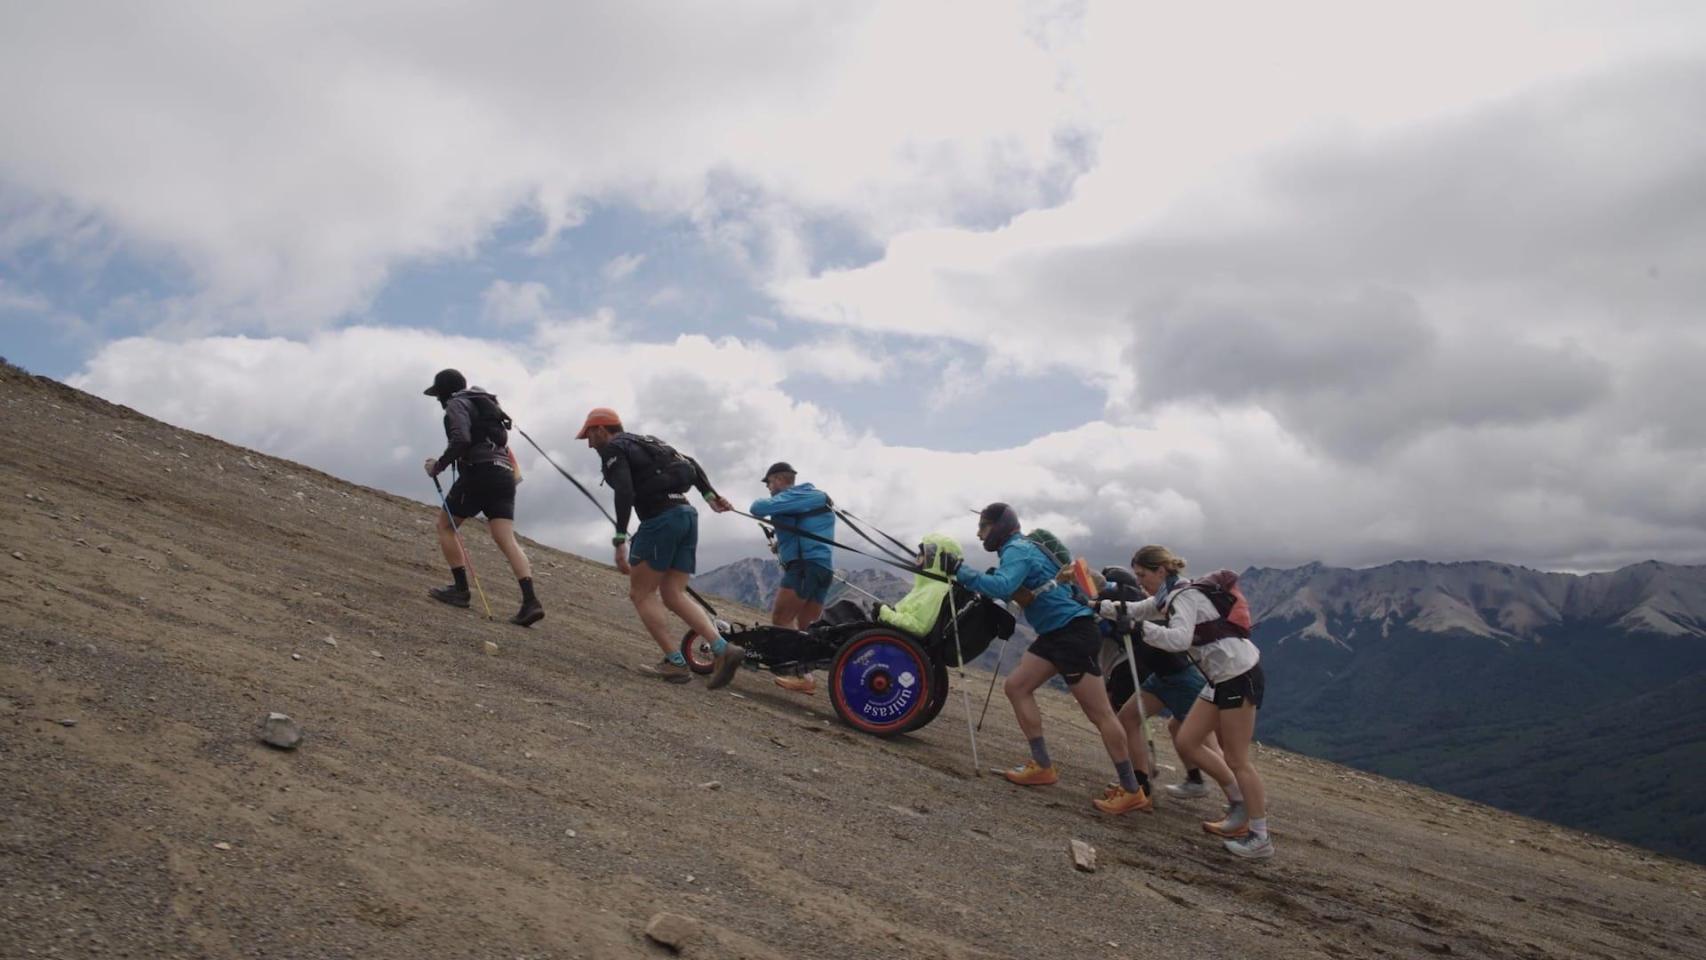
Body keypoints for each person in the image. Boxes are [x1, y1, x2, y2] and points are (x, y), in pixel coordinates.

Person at [946, 503, 1150, 815]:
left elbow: (1002, 587)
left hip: (1071, 634)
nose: (979, 534)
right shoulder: (1021, 549)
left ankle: (1132, 789)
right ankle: (1042, 766)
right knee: (1016, 687)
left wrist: (960, 569)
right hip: (1057, 633)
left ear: (998, 528)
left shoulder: (1017, 550)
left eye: (983, 528)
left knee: (1101, 714)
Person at [1099, 545, 1273, 859]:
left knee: (1237, 758)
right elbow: (1138, 609)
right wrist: (1099, 606)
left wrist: (1138, 629)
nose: (1140, 583)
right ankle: (1237, 807)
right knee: (1188, 739)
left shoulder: (1184, 597)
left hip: (1238, 675)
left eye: (1143, 575)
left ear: (1160, 571)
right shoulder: (1170, 595)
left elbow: (1178, 640)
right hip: (1220, 677)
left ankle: (1259, 835)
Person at [577, 407, 743, 687]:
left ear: (601, 430)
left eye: (589, 437)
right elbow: (690, 463)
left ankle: (675, 663)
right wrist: (710, 495)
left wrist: (619, 539)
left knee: (641, 593)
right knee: (673, 592)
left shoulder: (613, 449)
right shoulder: (650, 441)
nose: (589, 444)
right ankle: (721, 648)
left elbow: (625, 492)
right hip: (687, 516)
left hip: (660, 520)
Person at [421, 369, 543, 627]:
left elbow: (461, 438)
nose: (437, 400)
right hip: (505, 473)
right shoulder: (485, 403)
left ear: (444, 391)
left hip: (480, 472)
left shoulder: (456, 403)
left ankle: (460, 590)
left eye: (437, 395)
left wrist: (438, 466)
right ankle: (530, 601)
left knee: (445, 526)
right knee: (506, 538)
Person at [1095, 566, 1226, 800]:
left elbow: (1169, 638)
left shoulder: (1162, 606)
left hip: (1183, 680)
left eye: (1143, 574)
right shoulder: (1149, 604)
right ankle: (1143, 784)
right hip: (1164, 678)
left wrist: (1132, 626)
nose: (1141, 581)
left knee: (1205, 745)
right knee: (1131, 719)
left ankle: (1239, 798)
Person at [749, 461, 836, 694]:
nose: (768, 488)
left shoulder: (798, 495)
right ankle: (805, 676)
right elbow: (802, 526)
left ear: (778, 479)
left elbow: (757, 507)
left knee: (781, 618)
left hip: (804, 567)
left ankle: (801, 676)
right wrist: (780, 545)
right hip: (822, 569)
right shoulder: (804, 500)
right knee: (804, 628)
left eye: (768, 483)